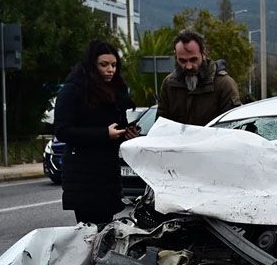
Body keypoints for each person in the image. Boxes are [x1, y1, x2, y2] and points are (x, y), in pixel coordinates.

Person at [54, 40, 137, 225]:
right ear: (92, 64)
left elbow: (116, 126)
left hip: (107, 173)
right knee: (89, 233)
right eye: (104, 64)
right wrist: (103, 134)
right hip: (83, 175)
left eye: (114, 65)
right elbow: (62, 130)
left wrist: (126, 133)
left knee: (105, 230)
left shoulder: (115, 90)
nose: (110, 70)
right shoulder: (74, 90)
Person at [157, 29, 242, 125]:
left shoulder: (224, 85)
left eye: (193, 60)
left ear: (203, 55)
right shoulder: (169, 85)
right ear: (176, 57)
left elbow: (233, 128)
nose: (188, 66)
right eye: (182, 61)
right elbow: (161, 128)